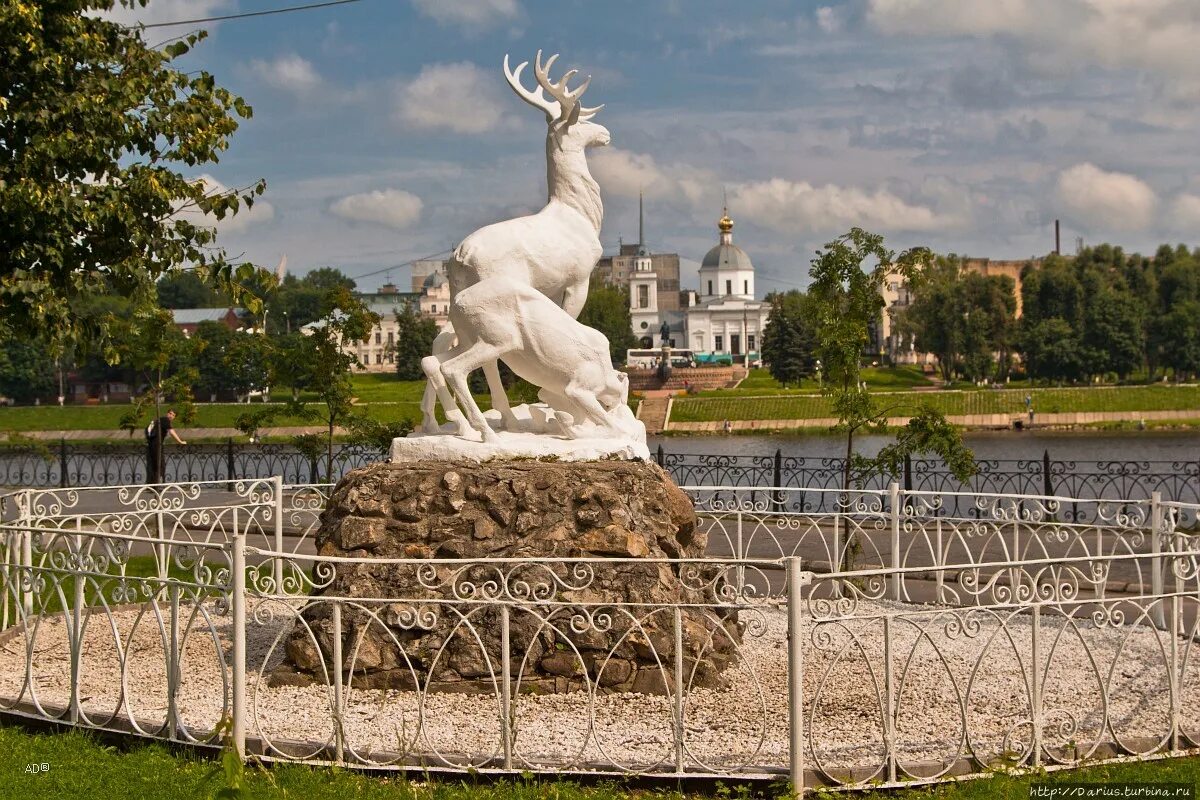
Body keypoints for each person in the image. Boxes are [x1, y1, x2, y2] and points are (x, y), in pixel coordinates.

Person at [145, 409, 186, 484]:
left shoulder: (159, 420)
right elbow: (172, 432)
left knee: (155, 465)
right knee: (160, 465)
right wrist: (180, 441)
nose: (171, 416)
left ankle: (153, 484)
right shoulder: (165, 420)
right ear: (167, 414)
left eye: (173, 415)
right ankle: (158, 484)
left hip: (152, 444)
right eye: (170, 413)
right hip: (156, 445)